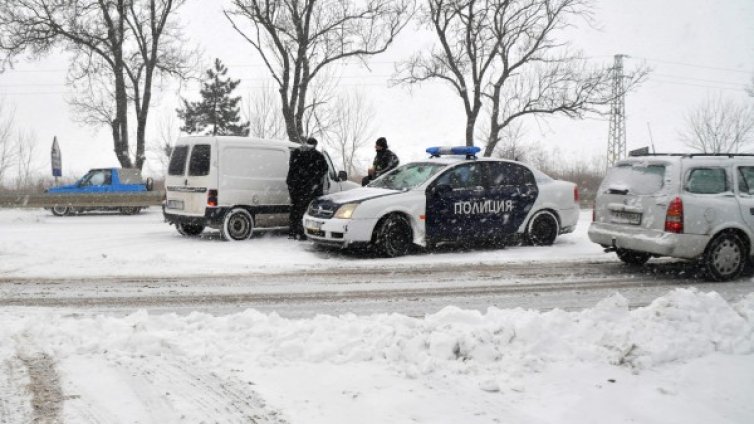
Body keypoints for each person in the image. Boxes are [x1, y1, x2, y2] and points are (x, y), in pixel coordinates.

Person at [286, 137, 328, 240]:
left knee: (295, 208)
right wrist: (315, 183)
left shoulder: (296, 152)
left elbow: (293, 168)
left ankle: (293, 231)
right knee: (304, 210)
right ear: (315, 145)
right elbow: (324, 169)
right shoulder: (317, 156)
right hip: (306, 187)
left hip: (295, 185)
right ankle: (301, 233)